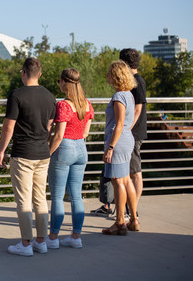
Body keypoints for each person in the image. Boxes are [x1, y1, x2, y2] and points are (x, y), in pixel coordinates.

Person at [0, 57, 56, 256]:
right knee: (40, 197)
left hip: (23, 153)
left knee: (23, 199)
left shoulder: (17, 95)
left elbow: (8, 127)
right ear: (40, 74)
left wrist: (1, 150)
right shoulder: (50, 96)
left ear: (23, 72)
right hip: (43, 152)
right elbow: (49, 127)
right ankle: (41, 241)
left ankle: (25, 244)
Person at [46, 69, 94, 249]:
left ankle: (53, 238)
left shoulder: (63, 105)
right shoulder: (87, 104)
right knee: (76, 196)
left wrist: (47, 154)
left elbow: (58, 136)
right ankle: (76, 237)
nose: (59, 83)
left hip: (64, 147)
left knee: (58, 197)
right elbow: (86, 132)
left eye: (59, 80)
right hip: (81, 148)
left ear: (65, 83)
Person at [101, 60, 140, 235]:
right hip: (126, 139)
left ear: (116, 77)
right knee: (126, 180)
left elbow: (119, 124)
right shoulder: (129, 95)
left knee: (118, 182)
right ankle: (133, 220)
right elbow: (127, 124)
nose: (107, 76)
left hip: (117, 141)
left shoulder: (118, 97)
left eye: (109, 73)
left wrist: (110, 147)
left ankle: (119, 223)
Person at [119, 48, 147, 210]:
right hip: (130, 132)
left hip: (134, 133)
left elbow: (138, 109)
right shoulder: (132, 81)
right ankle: (126, 207)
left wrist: (126, 129)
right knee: (128, 170)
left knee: (135, 172)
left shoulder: (138, 81)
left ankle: (133, 209)